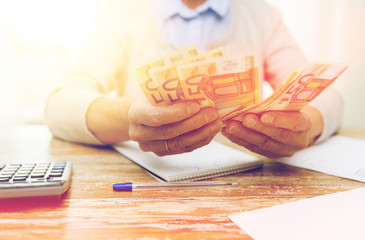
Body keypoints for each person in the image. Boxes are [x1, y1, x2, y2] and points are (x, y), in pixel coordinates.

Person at [45, 0, 343, 158]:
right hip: (147, 189)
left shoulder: (262, 16)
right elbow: (59, 105)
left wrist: (306, 125)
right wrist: (133, 120)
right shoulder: (122, 12)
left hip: (240, 191)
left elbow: (327, 98)